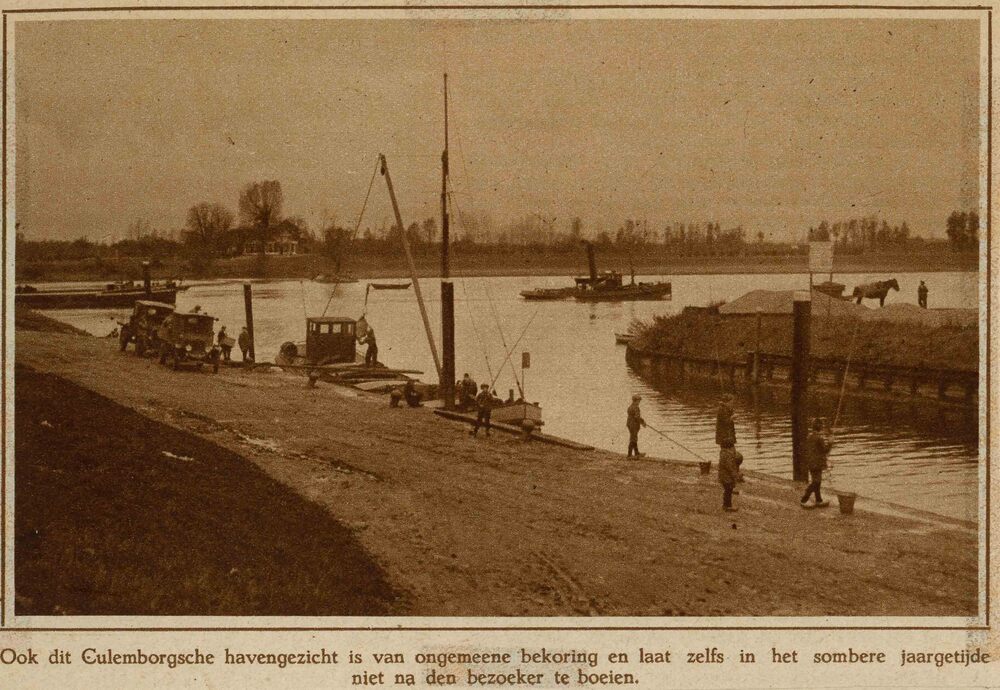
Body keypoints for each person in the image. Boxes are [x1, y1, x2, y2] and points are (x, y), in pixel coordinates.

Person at [801, 417, 832, 508]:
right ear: (819, 427)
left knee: (817, 481)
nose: (822, 426)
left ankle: (819, 500)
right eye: (821, 425)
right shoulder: (819, 438)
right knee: (816, 482)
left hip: (810, 462)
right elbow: (825, 450)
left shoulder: (809, 436)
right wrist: (830, 442)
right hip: (817, 463)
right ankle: (804, 499)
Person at [718, 445, 744, 512]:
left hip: (724, 476)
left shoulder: (724, 452)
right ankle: (727, 506)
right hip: (726, 477)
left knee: (728, 490)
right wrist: (736, 475)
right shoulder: (728, 456)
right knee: (728, 491)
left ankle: (727, 505)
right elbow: (730, 468)